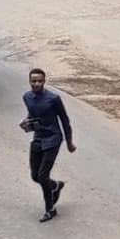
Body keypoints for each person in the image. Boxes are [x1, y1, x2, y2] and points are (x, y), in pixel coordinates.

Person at [20, 68, 76, 223]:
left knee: (43, 175)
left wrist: (69, 142)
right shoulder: (26, 97)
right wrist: (26, 122)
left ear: (44, 82)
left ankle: (50, 209)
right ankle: (55, 186)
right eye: (33, 81)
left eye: (39, 81)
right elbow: (33, 114)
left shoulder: (54, 99)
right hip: (38, 138)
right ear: (29, 81)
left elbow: (65, 120)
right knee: (35, 176)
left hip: (53, 138)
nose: (36, 84)